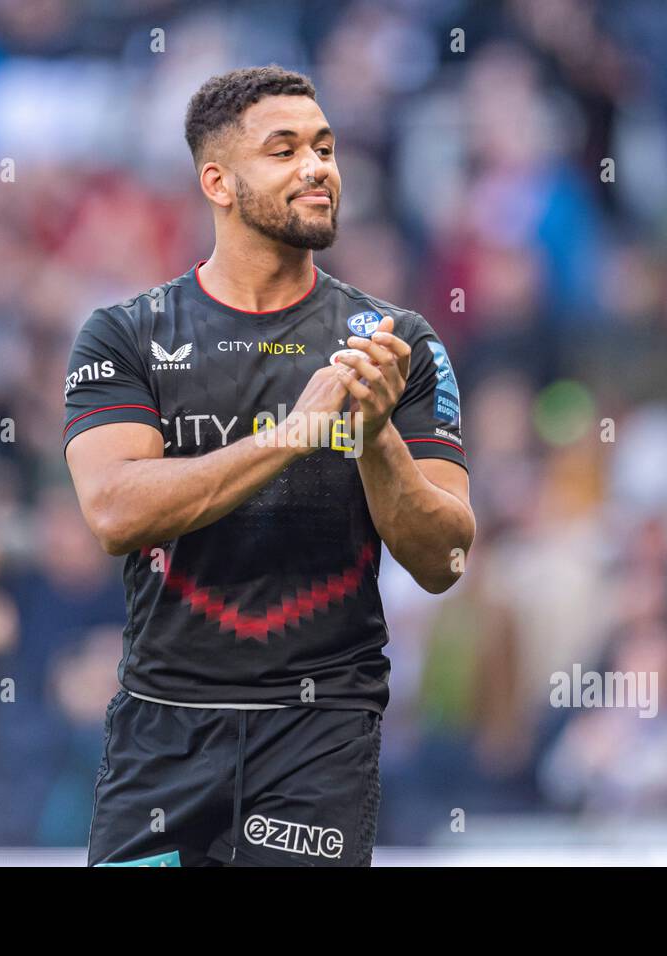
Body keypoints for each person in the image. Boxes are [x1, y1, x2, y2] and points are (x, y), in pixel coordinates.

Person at [62, 65, 476, 866]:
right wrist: (292, 435)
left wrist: (375, 433)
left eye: (324, 147)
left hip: (319, 733)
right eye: (283, 150)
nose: (316, 167)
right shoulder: (125, 336)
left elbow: (445, 558)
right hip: (163, 728)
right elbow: (115, 511)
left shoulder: (398, 344)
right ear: (217, 181)